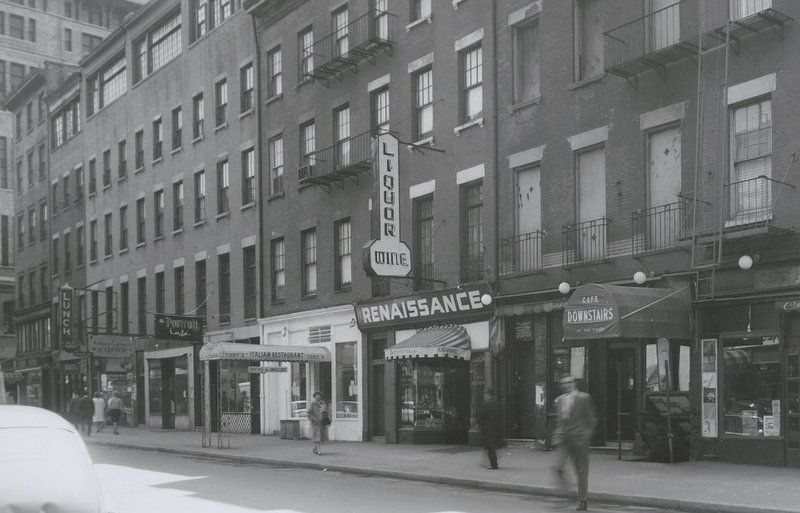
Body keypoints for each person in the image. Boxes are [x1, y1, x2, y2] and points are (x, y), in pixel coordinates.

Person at [552, 375, 597, 511]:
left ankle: (582, 500)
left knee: (581, 471)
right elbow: (559, 421)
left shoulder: (584, 398)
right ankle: (568, 492)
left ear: (574, 383)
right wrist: (557, 436)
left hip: (580, 439)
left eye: (568, 382)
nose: (566, 385)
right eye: (563, 383)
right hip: (565, 440)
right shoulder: (559, 400)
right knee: (557, 467)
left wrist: (586, 435)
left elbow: (592, 418)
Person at [477, 386, 504, 470]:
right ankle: (490, 462)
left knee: (489, 447)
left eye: (486, 394)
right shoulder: (498, 404)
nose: (485, 396)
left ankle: (493, 465)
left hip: (488, 429)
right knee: (490, 447)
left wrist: (478, 423)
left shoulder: (486, 405)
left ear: (489, 394)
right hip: (497, 429)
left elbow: (481, 416)